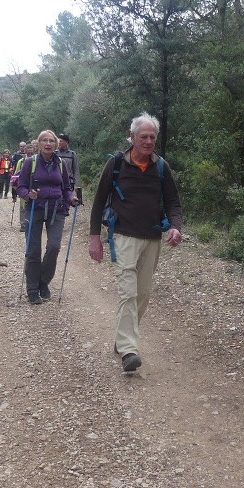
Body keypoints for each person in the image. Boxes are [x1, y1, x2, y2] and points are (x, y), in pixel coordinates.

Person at [88, 113, 182, 372]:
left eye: (152, 137)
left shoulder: (161, 166)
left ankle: (122, 339)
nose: (149, 141)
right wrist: (94, 237)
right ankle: (129, 350)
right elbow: (98, 202)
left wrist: (175, 227)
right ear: (132, 137)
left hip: (152, 237)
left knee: (142, 295)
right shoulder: (116, 165)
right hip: (123, 237)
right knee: (127, 292)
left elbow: (173, 201)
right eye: (144, 136)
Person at [17, 130, 79, 304]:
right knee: (33, 250)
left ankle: (43, 281)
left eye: (52, 140)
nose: (48, 143)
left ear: (56, 144)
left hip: (56, 210)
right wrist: (29, 195)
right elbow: (20, 187)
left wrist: (71, 199)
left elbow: (66, 188)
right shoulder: (30, 163)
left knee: (54, 247)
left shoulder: (61, 164)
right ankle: (32, 289)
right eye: (45, 140)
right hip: (35, 209)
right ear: (39, 143)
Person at [57, 133, 83, 205]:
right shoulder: (54, 153)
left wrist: (77, 185)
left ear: (66, 142)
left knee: (66, 202)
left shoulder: (72, 154)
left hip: (68, 182)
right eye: (58, 140)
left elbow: (76, 170)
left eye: (61, 141)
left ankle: (64, 213)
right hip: (56, 181)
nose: (59, 142)